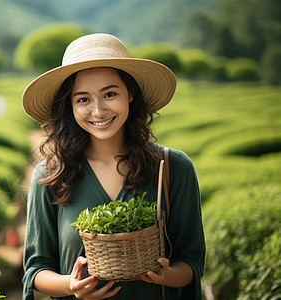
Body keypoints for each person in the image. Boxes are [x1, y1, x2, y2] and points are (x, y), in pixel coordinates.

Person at [21, 33, 205, 300]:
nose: (98, 111)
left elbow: (191, 261)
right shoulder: (52, 174)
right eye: (83, 99)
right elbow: (36, 270)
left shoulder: (173, 167)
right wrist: (70, 286)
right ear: (70, 106)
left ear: (130, 94)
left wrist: (166, 275)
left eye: (110, 93)